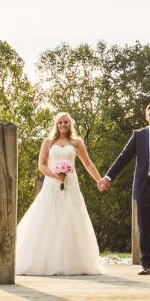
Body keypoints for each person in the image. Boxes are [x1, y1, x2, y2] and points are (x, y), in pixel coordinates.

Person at [14, 112, 107, 276]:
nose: (63, 125)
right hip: (52, 183)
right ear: (56, 125)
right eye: (60, 123)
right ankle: (45, 260)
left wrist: (99, 180)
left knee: (71, 217)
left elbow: (87, 163)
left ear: (70, 124)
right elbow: (41, 165)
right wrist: (55, 175)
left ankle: (74, 261)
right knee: (48, 217)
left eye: (66, 122)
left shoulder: (76, 142)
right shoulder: (48, 142)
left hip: (71, 184)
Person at [99, 102, 150, 275]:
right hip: (144, 186)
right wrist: (108, 177)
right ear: (146, 117)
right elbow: (123, 157)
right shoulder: (138, 135)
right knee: (143, 227)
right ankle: (145, 264)